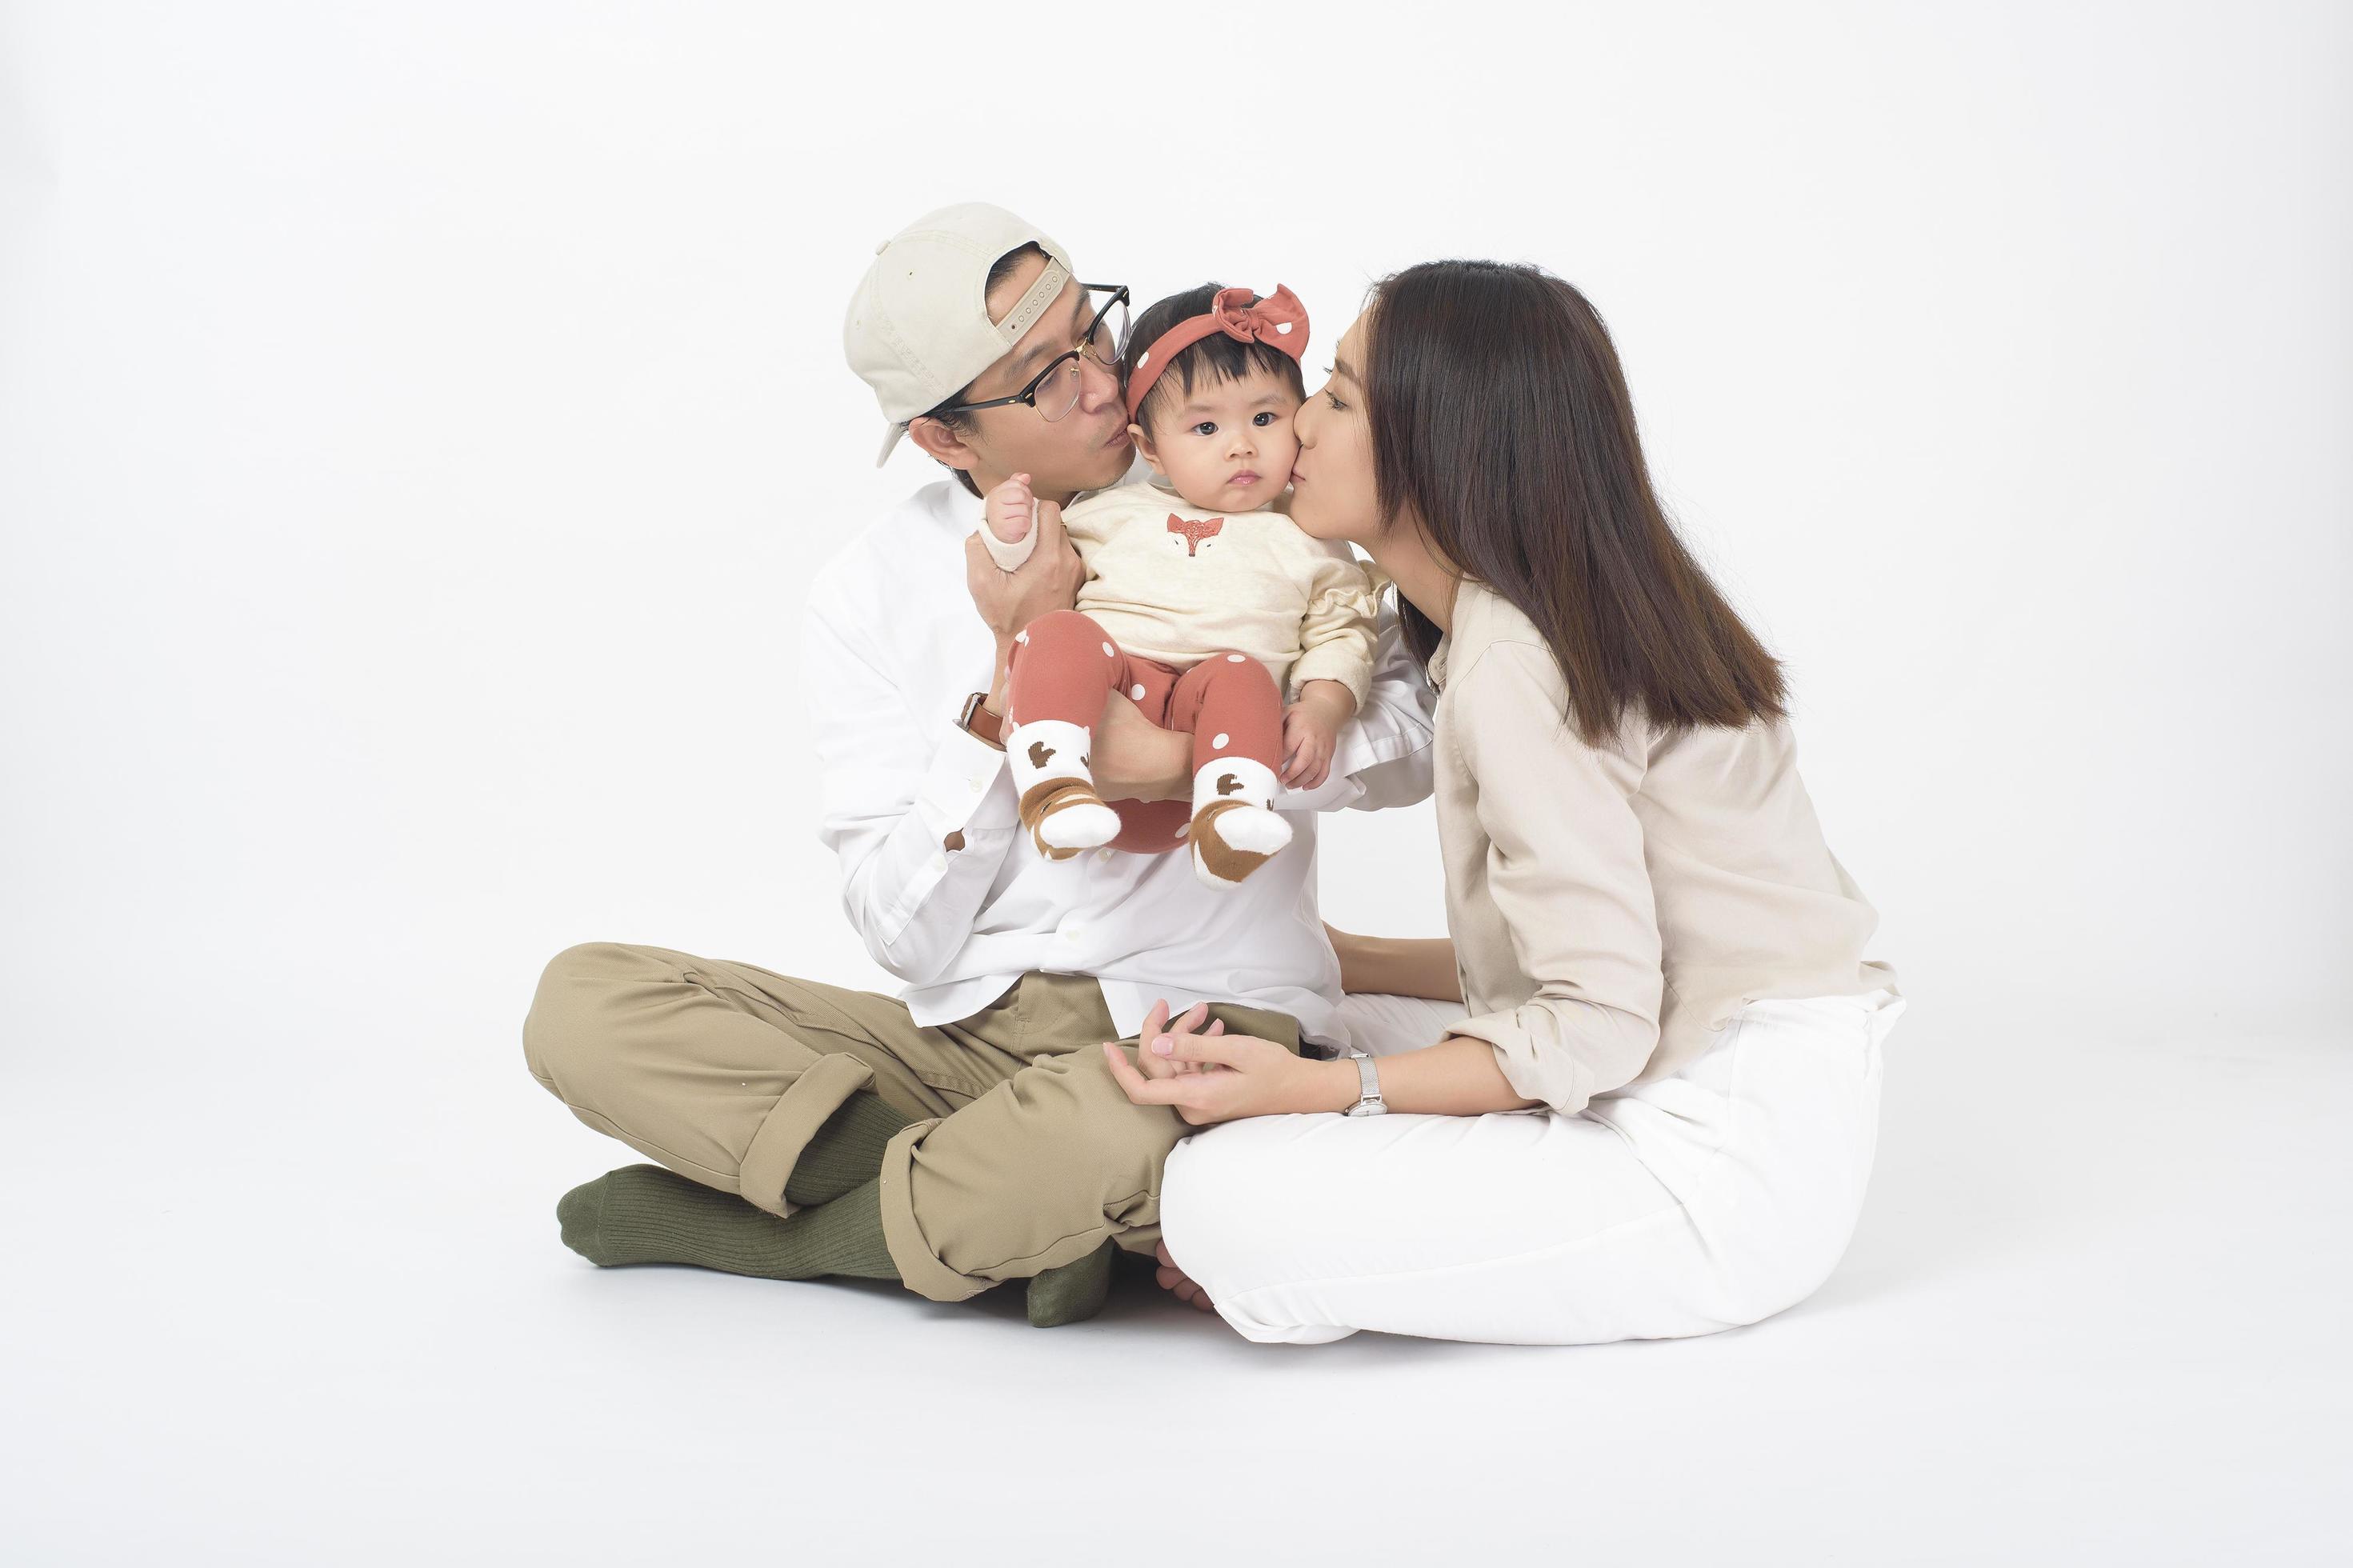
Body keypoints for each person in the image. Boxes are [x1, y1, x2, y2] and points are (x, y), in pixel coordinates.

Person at [520, 203, 1443, 1327]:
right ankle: (1007, 1215)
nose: (1103, 385)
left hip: (1204, 1022)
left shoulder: (1238, 481)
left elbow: (1420, 735)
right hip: (968, 1034)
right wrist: (1006, 694)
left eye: (1089, 334)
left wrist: (1187, 761)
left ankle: (808, 1237)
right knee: (584, 1004)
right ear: (945, 439)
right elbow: (900, 934)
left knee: (1103, 1127)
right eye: (1040, 378)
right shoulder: (870, 590)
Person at [1106, 258, 1906, 1346]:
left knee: (1219, 1194)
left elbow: (1591, 1026)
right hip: (1689, 1047)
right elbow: (1602, 952)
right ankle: (1348, 1234)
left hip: (1713, 1161)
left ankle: (1311, 1255)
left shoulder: (1513, 665)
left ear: (1438, 443)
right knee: (1302, 1010)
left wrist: (1310, 1100)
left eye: (1335, 397)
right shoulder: (1524, 618)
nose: (1292, 428)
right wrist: (1345, 962)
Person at [982, 280, 1381, 886]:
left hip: (1209, 749)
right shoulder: (1111, 511)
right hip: (1109, 711)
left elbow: (1342, 633)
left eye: (1265, 418)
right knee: (1059, 633)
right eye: (1204, 430)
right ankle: (1054, 786)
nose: (1241, 446)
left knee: (1243, 674)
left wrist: (1323, 709)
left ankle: (1232, 819)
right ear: (1152, 450)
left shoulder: (1311, 537)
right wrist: (1007, 530)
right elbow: (1030, 571)